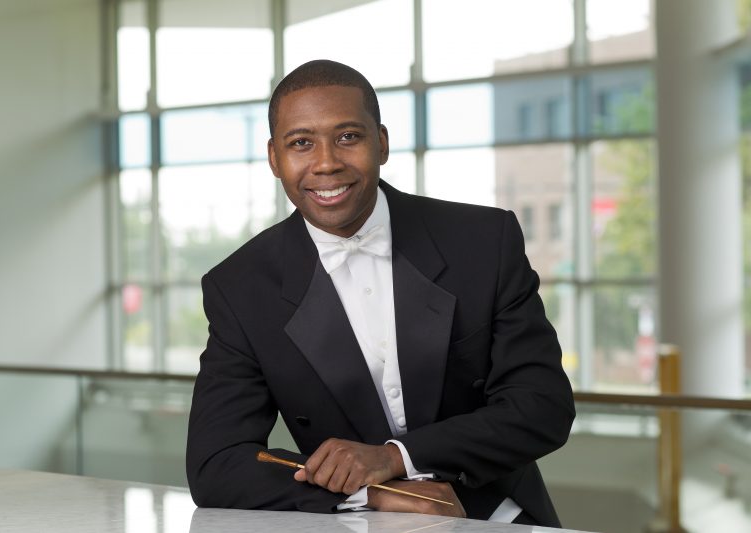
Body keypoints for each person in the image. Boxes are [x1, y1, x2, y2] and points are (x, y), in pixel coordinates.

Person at [186, 59, 575, 527]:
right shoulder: (241, 287)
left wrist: (394, 458)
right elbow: (216, 464)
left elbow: (542, 406)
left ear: (382, 143)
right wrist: (368, 494)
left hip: (498, 517)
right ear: (274, 158)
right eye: (301, 143)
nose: (326, 163)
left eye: (348, 136)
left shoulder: (483, 240)